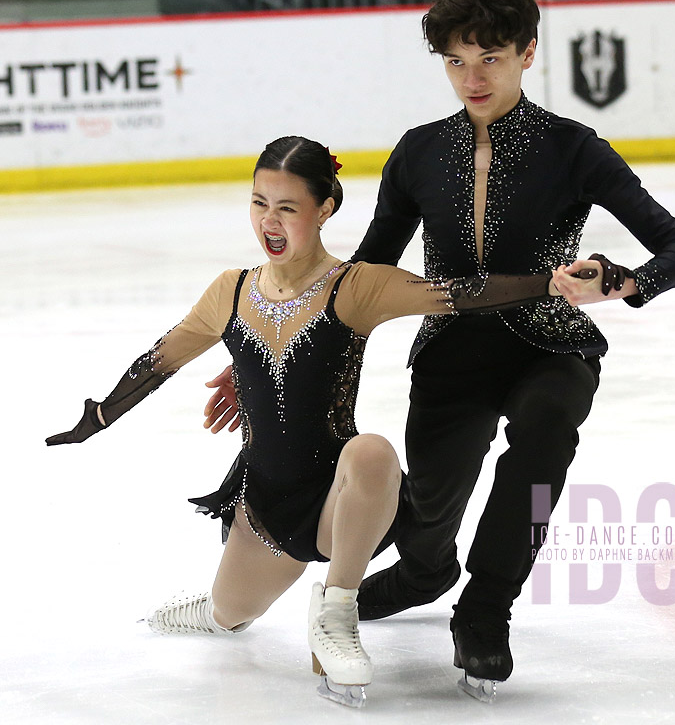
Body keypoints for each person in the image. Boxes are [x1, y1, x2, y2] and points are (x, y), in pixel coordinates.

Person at [204, 0, 675, 703]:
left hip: (549, 344)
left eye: (490, 59)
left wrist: (624, 280)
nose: (472, 79)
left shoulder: (573, 148)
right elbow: (364, 276)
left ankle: (486, 607)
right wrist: (275, 349)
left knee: (545, 436)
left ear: (527, 53)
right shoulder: (419, 153)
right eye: (455, 61)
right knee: (429, 515)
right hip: (451, 352)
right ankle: (423, 574)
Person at [46, 135, 570, 708]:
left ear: (324, 209)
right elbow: (159, 360)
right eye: (259, 203)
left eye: (287, 207)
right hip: (264, 508)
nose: (269, 221)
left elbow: (459, 294)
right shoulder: (231, 291)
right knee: (229, 614)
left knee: (372, 451)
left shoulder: (356, 287)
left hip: (341, 502)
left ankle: (336, 613)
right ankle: (211, 610)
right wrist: (99, 416)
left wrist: (551, 283)